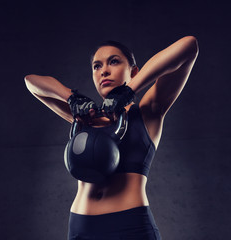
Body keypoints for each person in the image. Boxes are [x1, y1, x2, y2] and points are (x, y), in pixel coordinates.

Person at [24, 36, 199, 240]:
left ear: (133, 71)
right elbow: (31, 82)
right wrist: (72, 98)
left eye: (113, 61)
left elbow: (188, 46)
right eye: (96, 66)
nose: (104, 71)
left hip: (130, 227)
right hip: (82, 229)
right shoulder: (83, 119)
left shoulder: (148, 112)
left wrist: (130, 89)